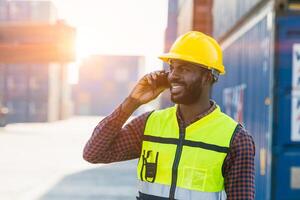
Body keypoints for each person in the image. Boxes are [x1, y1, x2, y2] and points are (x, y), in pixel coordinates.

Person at [83, 31, 255, 200]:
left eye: (184, 69)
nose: (173, 76)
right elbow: (94, 153)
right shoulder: (150, 124)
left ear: (207, 77)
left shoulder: (235, 139)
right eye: (172, 68)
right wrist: (132, 102)